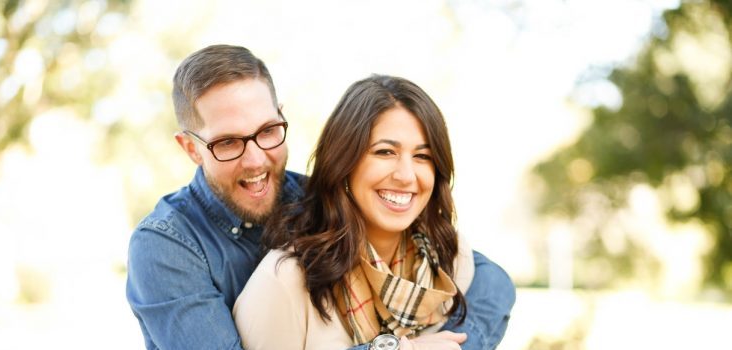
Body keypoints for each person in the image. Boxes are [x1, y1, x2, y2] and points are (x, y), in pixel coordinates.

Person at [126, 44, 514, 350]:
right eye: (228, 142)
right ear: (191, 148)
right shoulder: (166, 245)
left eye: (267, 131)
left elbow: (492, 282)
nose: (256, 159)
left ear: (281, 116)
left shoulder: (319, 197)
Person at [233, 74, 515, 350]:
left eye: (422, 156)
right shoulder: (284, 283)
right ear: (344, 162)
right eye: (385, 152)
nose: (406, 175)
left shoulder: (450, 259)